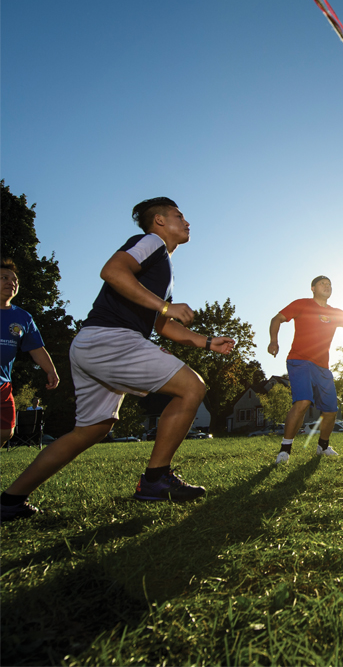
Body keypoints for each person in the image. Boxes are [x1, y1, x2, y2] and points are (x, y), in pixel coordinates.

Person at [0, 198, 235, 523]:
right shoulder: (151, 243)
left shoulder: (163, 269)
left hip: (92, 344)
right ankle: (155, 479)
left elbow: (162, 325)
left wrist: (207, 342)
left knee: (91, 430)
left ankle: (10, 500)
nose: (187, 221)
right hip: (111, 339)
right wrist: (166, 306)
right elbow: (112, 271)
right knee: (192, 387)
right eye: (179, 215)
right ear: (160, 222)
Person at [267, 276, 343, 463]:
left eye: (329, 284)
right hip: (299, 361)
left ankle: (322, 447)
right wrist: (274, 340)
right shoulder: (302, 304)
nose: (327, 286)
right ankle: (285, 450)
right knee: (303, 402)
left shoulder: (336, 312)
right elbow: (277, 318)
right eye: (323, 283)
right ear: (312, 288)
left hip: (323, 366)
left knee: (330, 410)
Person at [1, 259, 59, 447]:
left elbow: (36, 348)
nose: (11, 282)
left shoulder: (23, 317)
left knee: (6, 431)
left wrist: (50, 370)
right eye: (4, 278)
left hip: (3, 384)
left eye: (14, 280)